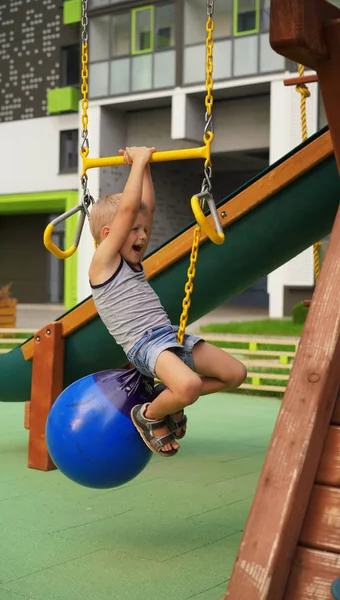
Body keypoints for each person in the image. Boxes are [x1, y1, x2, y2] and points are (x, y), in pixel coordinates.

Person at [89, 146, 247, 458]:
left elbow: (145, 206)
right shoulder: (103, 262)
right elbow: (128, 209)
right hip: (144, 346)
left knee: (235, 374)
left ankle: (168, 397)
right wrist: (139, 163)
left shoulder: (132, 259)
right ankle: (150, 415)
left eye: (144, 230)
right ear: (109, 234)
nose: (143, 236)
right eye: (134, 230)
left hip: (170, 336)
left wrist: (143, 167)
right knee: (188, 387)